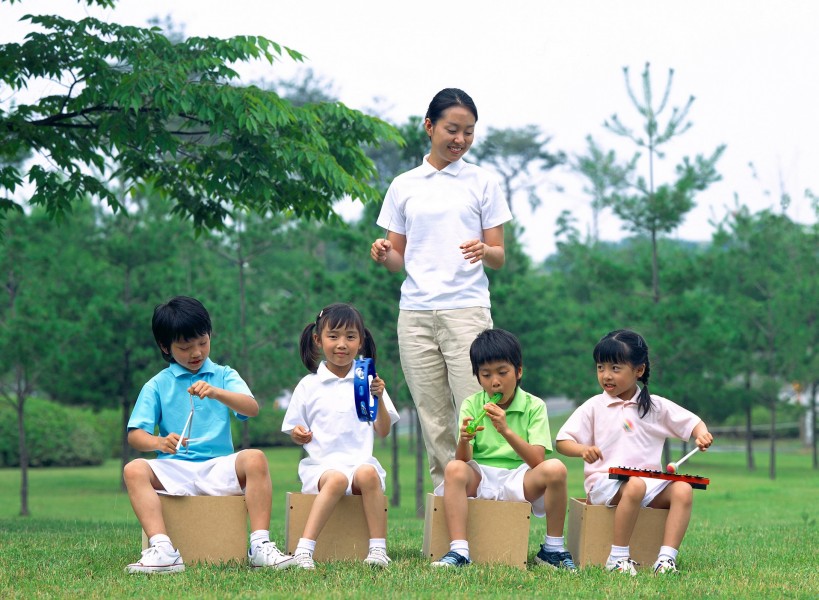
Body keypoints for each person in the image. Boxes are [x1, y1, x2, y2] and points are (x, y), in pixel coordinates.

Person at [370, 88, 513, 489]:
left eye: (469, 132)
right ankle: (446, 513)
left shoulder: (482, 182)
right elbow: (398, 259)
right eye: (453, 129)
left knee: (477, 413)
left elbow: (499, 255)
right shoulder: (403, 185)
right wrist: (384, 253)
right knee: (433, 421)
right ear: (429, 126)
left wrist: (485, 249)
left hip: (466, 311)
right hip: (415, 315)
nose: (460, 140)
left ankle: (489, 504)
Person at [123, 296, 294, 573]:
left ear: (210, 336)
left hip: (218, 467)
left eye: (202, 342)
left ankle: (260, 545)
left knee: (255, 458)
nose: (196, 353)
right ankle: (163, 549)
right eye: (185, 346)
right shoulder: (156, 385)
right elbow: (135, 435)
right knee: (133, 470)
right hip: (174, 468)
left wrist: (216, 392)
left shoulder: (224, 374)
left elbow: (251, 408)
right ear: (165, 347)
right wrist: (159, 442)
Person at [555, 329, 714, 576]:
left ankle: (666, 559)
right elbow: (563, 441)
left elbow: (693, 423)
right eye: (600, 367)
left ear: (638, 370)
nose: (606, 376)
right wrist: (583, 450)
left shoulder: (655, 406)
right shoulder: (594, 406)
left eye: (615, 368)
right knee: (636, 485)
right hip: (604, 485)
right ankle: (617, 557)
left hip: (647, 486)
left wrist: (701, 434)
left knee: (682, 489)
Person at [430, 329, 576, 570]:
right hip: (481, 477)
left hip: (519, 478)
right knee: (454, 468)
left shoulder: (534, 406)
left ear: (518, 372)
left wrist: (506, 430)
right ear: (477, 377)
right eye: (485, 374)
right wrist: (464, 440)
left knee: (556, 468)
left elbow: (537, 460)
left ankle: (553, 548)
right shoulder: (471, 404)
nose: (494, 381)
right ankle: (459, 550)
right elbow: (464, 460)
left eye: (502, 372)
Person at [282, 303, 400, 570]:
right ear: (318, 339)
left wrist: (379, 398)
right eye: (333, 336)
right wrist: (299, 434)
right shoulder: (309, 385)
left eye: (350, 337)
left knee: (369, 473)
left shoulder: (368, 381)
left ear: (361, 342)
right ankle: (304, 550)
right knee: (335, 479)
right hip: (321, 469)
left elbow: (383, 430)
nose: (342, 344)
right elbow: (294, 429)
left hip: (359, 465)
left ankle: (378, 550)